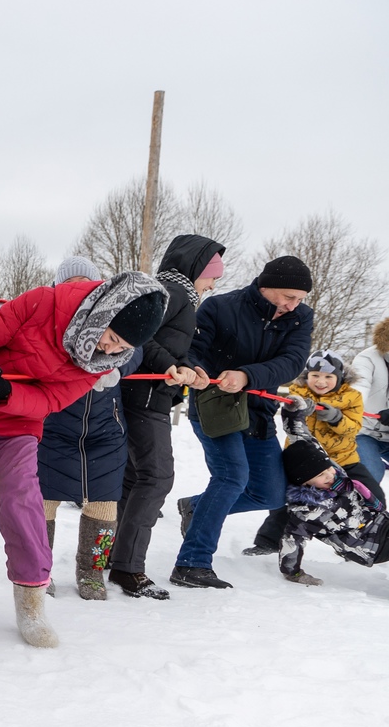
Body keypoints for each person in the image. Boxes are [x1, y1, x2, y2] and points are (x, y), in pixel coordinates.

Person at [0, 271, 168, 647]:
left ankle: (31, 603)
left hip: (15, 419)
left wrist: (6, 391)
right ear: (101, 315)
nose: (110, 351)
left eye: (121, 348)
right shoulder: (42, 302)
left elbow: (50, 401)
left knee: (23, 502)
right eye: (111, 338)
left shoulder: (100, 363)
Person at [173, 255, 314, 589]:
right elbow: (191, 349)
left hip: (258, 412)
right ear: (265, 287)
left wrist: (247, 375)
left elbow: (292, 361)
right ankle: (192, 562)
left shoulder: (300, 318)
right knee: (231, 476)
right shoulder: (220, 307)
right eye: (288, 296)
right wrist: (194, 371)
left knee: (271, 493)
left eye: (300, 299)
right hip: (215, 405)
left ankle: (195, 507)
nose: (294, 305)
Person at [111, 235, 223, 600]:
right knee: (156, 477)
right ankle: (129, 568)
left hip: (151, 397)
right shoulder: (172, 290)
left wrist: (191, 368)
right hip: (143, 399)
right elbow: (138, 338)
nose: (213, 284)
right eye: (211, 275)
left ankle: (117, 558)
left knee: (135, 478)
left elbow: (172, 347)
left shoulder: (182, 297)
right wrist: (172, 365)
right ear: (195, 269)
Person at [38, 257, 143, 601]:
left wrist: (120, 364)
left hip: (104, 432)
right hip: (53, 428)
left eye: (88, 284)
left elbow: (140, 349)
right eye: (72, 284)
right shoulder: (49, 320)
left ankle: (91, 570)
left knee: (103, 505)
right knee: (43, 503)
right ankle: (40, 570)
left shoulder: (117, 319)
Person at [241, 350, 383, 557]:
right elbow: (290, 422)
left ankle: (357, 541)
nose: (321, 381)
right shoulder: (298, 393)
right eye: (315, 376)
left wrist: (335, 417)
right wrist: (295, 409)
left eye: (328, 377)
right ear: (306, 376)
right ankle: (268, 541)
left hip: (344, 460)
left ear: (340, 377)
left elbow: (353, 428)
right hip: (306, 464)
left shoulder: (351, 397)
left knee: (374, 496)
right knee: (285, 503)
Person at [275, 436, 389, 584]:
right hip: (368, 546)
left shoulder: (334, 477)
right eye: (320, 475)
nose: (329, 475)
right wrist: (293, 573)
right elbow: (293, 539)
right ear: (304, 481)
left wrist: (295, 419)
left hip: (380, 525)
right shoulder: (311, 510)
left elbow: (311, 445)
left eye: (328, 468)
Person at [351, 316, 389, 482]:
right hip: (366, 431)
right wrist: (354, 405)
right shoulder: (367, 358)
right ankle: (360, 506)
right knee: (370, 473)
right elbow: (359, 386)